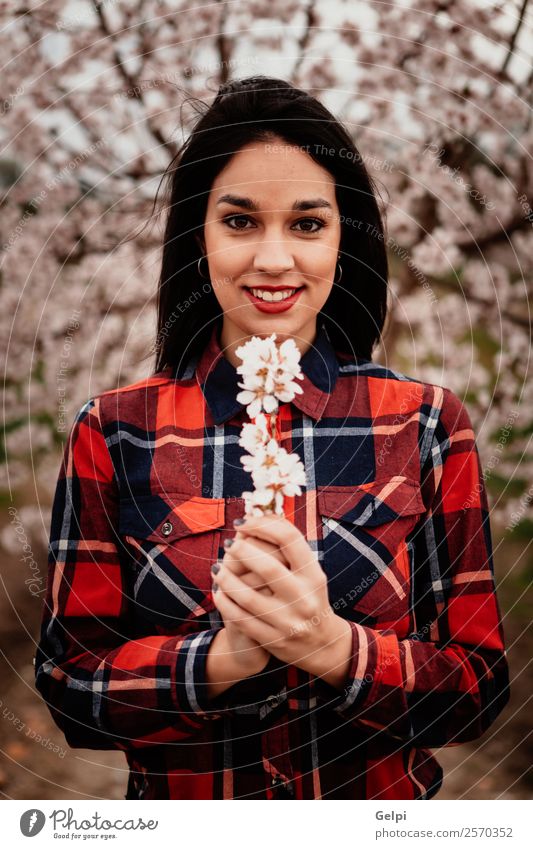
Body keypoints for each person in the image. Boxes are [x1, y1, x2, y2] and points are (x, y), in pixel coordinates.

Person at [34, 76, 510, 800]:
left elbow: (475, 688)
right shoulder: (114, 430)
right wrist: (220, 660)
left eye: (307, 224)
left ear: (344, 238)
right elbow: (71, 687)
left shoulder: (423, 423)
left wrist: (329, 646)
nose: (274, 259)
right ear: (198, 234)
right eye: (240, 221)